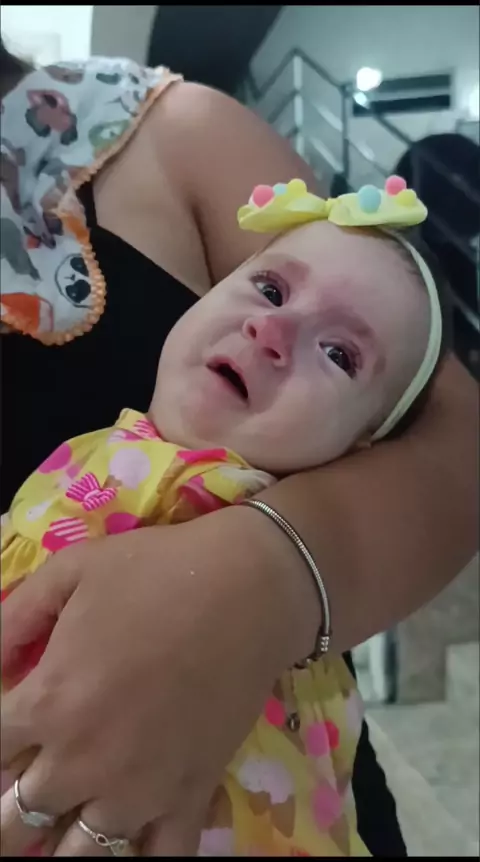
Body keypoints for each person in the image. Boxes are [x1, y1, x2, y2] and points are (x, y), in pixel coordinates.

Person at [0, 52, 477, 858]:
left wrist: (268, 576)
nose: (272, 329)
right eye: (270, 290)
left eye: (339, 354)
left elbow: (455, 440)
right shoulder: (91, 453)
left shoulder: (168, 131)